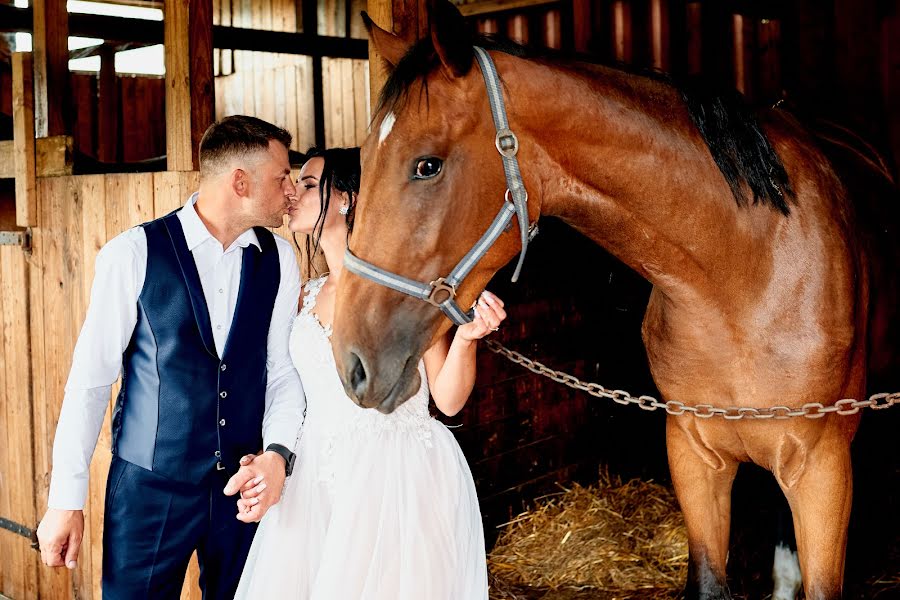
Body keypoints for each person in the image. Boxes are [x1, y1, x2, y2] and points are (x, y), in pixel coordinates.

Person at [35, 115, 306, 599]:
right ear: (240, 181)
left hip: (242, 491)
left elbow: (280, 371)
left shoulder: (280, 258)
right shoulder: (132, 253)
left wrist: (278, 455)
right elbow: (90, 382)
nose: (291, 189)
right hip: (149, 491)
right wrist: (65, 501)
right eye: (282, 175)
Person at [233, 147, 504, 599]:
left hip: (393, 477)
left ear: (346, 199)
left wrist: (466, 337)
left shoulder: (407, 293)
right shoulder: (303, 294)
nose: (294, 192)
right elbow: (287, 390)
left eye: (309, 183)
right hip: (314, 477)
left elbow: (450, 398)